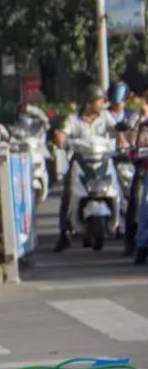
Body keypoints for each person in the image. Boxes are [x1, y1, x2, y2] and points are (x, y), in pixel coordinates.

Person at [54, 85, 117, 251]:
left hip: (102, 161)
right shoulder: (73, 119)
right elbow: (62, 133)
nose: (103, 103)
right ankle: (63, 234)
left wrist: (122, 136)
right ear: (90, 103)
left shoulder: (105, 116)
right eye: (99, 100)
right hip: (80, 162)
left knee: (122, 188)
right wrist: (60, 138)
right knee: (68, 194)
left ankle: (126, 227)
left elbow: (116, 129)